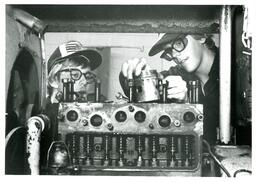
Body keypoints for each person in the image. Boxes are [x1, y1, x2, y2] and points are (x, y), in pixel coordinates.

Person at [119, 33, 219, 144]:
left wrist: (188, 105)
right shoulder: (179, 74)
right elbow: (150, 87)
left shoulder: (235, 73)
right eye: (169, 51)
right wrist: (134, 75)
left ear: (201, 36)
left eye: (179, 43)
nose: (174, 55)